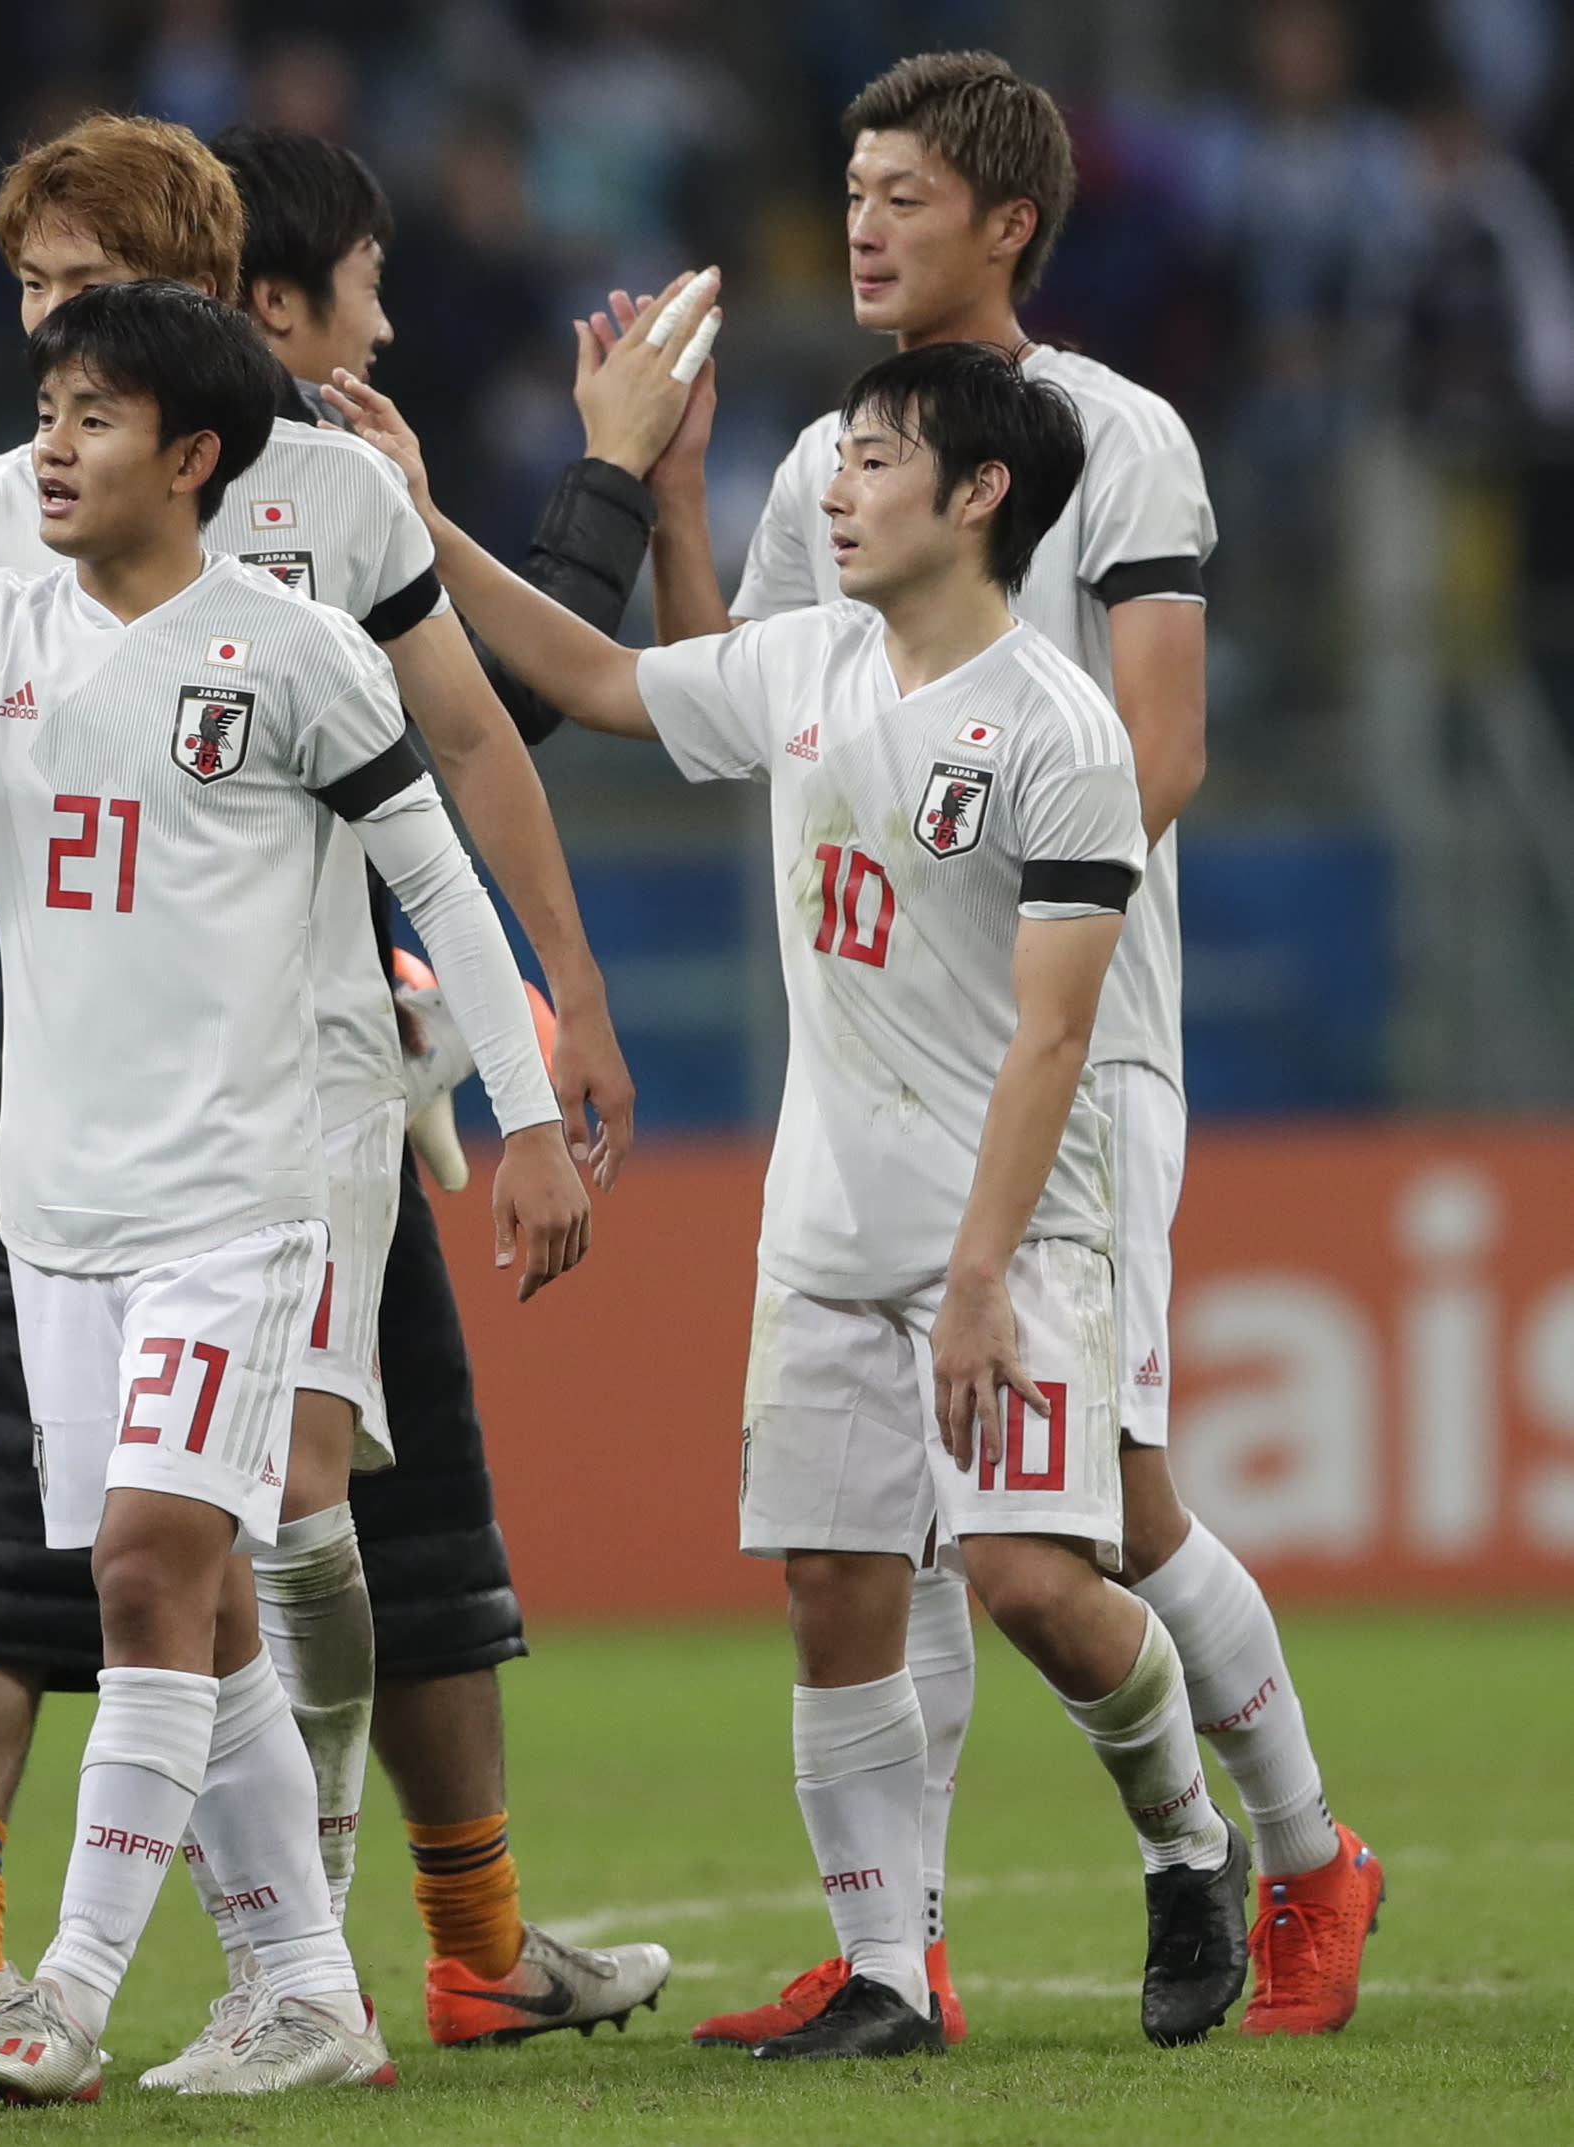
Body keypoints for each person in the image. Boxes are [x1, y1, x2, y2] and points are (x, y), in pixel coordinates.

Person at [0, 275, 586, 2102]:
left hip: (238, 1207)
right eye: (47, 410)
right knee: (198, 1609)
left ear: (198, 455)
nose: (51, 448)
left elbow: (444, 885)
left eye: (92, 418)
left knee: (156, 1567)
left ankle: (64, 1995)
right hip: (57, 1224)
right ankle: (306, 1986)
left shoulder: (299, 654)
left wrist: (530, 1115)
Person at [0, 113, 679, 2070]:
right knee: (185, 1552)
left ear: (203, 310)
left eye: (88, 291)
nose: (48, 328)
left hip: (300, 1105)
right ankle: (298, 1965)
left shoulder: (328, 505)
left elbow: (465, 752)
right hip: (78, 1119)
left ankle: (248, 1960)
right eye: (31, 292)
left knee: (238, 1520)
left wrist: (560, 1016)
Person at [337, 338, 1253, 2057]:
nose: (832, 483)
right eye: (839, 458)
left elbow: (1056, 1036)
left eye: (874, 460)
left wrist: (983, 1273)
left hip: (1017, 1228)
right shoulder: (812, 663)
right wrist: (424, 523)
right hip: (826, 1222)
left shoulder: (1060, 734)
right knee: (833, 1590)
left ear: (977, 497)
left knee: (1035, 1584)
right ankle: (889, 1976)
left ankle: (1186, 1841)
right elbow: (602, 679)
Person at [638, 51, 1377, 2043]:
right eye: (850, 189)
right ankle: (902, 1953)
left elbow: (1161, 745)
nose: (859, 223)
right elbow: (749, 691)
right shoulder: (820, 459)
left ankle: (1300, 1857)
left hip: (1070, 1046)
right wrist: (660, 483)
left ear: (1006, 226)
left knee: (1098, 1505)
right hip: (875, 1067)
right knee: (895, 1526)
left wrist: (999, 913)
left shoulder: (1114, 437)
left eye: (900, 193)